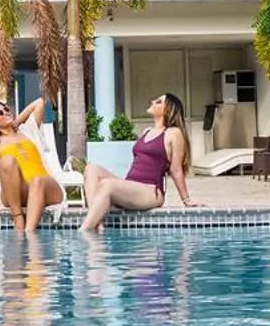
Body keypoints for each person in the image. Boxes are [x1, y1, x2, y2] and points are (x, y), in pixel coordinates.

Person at [80, 92, 199, 232]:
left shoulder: (173, 133)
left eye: (159, 101)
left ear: (168, 109)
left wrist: (186, 200)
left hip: (151, 191)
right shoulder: (147, 131)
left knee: (107, 185)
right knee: (91, 169)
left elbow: (176, 170)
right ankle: (97, 223)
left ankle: (84, 231)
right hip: (132, 186)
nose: (153, 101)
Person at [0, 96, 64, 236]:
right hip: (16, 193)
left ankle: (27, 235)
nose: (6, 112)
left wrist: (17, 121)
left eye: (6, 109)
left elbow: (39, 103)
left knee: (37, 180)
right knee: (7, 161)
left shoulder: (28, 131)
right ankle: (18, 218)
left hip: (45, 186)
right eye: (0, 113)